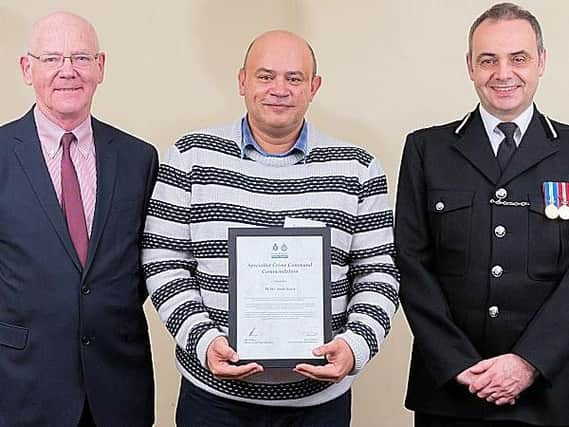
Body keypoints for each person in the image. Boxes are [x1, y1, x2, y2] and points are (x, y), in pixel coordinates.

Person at [142, 30, 398, 427]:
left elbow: (378, 273)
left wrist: (355, 345)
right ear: (242, 81)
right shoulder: (190, 158)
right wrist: (204, 340)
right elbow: (163, 261)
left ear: (313, 87)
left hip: (319, 407)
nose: (279, 89)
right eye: (265, 76)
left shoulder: (357, 169)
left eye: (294, 78)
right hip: (213, 401)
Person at [396, 2, 569, 426]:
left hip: (550, 390)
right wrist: (456, 363)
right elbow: (410, 264)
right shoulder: (427, 150)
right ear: (470, 66)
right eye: (488, 60)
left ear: (542, 62)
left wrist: (529, 362)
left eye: (519, 58)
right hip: (451, 390)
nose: (502, 72)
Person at [0, 12, 157, 426]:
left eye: (81, 58)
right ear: (26, 68)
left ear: (100, 67)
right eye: (51, 58)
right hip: (21, 385)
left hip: (118, 386)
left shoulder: (138, 158)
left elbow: (146, 265)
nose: (67, 71)